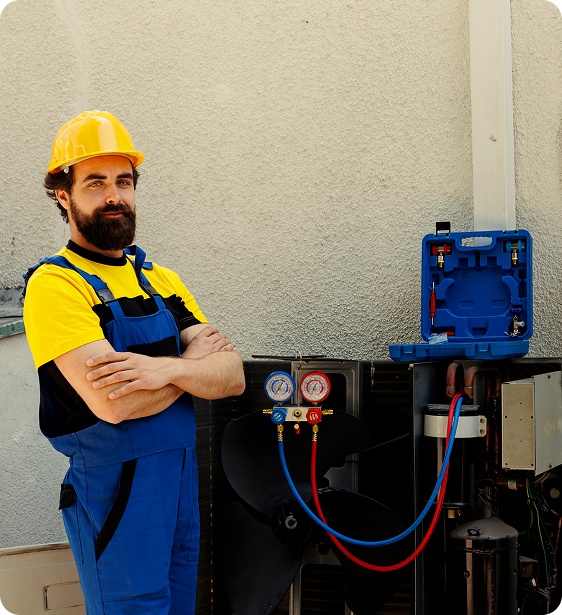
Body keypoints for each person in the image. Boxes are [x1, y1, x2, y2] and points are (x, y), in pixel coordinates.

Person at [22, 110, 245, 615]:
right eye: (95, 182)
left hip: (181, 489)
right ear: (63, 194)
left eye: (123, 181)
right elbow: (115, 404)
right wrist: (193, 369)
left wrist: (166, 370)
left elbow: (231, 378)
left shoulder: (158, 279)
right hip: (116, 498)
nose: (113, 195)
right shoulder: (56, 286)